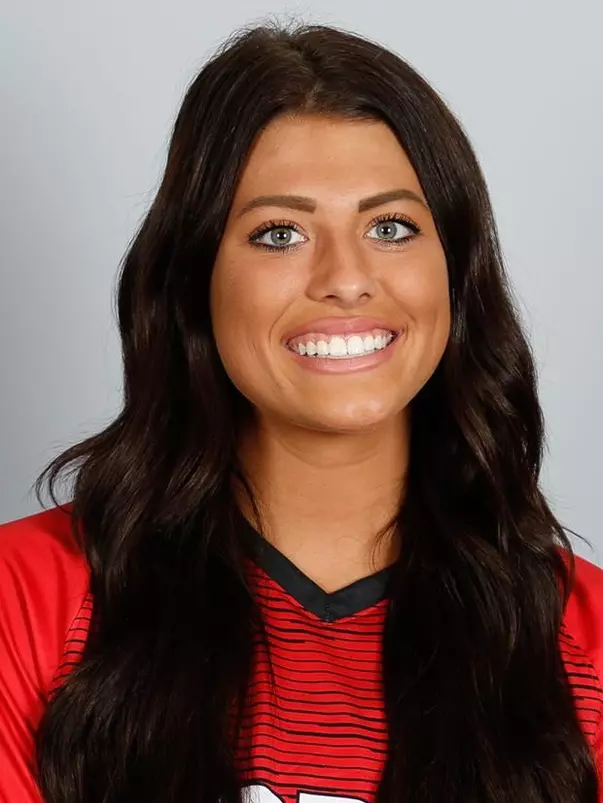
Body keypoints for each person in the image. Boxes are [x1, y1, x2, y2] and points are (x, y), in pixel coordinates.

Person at [0, 20, 602, 803]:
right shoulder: (26, 600)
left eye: (391, 227)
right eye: (278, 233)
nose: (345, 278)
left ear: (455, 275)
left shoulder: (582, 641)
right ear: (192, 282)